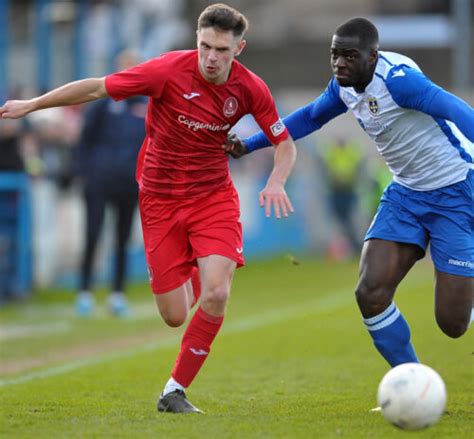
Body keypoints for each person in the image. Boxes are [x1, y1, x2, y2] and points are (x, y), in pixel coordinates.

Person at [0, 3, 296, 413]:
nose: (211, 58)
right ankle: (195, 261)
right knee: (175, 315)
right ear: (196, 40)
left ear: (239, 48)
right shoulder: (167, 70)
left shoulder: (250, 88)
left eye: (221, 51)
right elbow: (95, 88)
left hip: (212, 196)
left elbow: (283, 140)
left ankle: (174, 390)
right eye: (205, 46)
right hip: (159, 199)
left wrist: (277, 179)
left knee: (217, 293)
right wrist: (32, 105)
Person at [224, 17, 473, 370]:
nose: (340, 63)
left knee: (453, 324)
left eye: (349, 56)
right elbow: (309, 117)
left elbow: (454, 109)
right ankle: (411, 380)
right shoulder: (343, 86)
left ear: (372, 56)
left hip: (455, 191)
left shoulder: (400, 82)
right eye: (334, 55)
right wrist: (249, 145)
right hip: (405, 194)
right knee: (370, 292)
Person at [74, 50, 147, 317]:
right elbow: (83, 141)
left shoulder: (146, 106)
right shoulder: (102, 105)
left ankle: (118, 293)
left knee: (123, 238)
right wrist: (85, 172)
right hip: (98, 181)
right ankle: (85, 291)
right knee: (92, 235)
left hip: (130, 183)